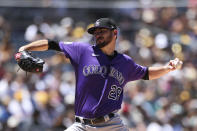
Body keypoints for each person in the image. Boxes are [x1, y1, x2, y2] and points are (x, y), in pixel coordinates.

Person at [18, 18, 183, 131]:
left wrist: (167, 68)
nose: (97, 34)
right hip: (82, 125)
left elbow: (146, 73)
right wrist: (25, 48)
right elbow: (52, 44)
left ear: (115, 33)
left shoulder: (125, 62)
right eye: (95, 32)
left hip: (111, 124)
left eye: (102, 31)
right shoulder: (82, 50)